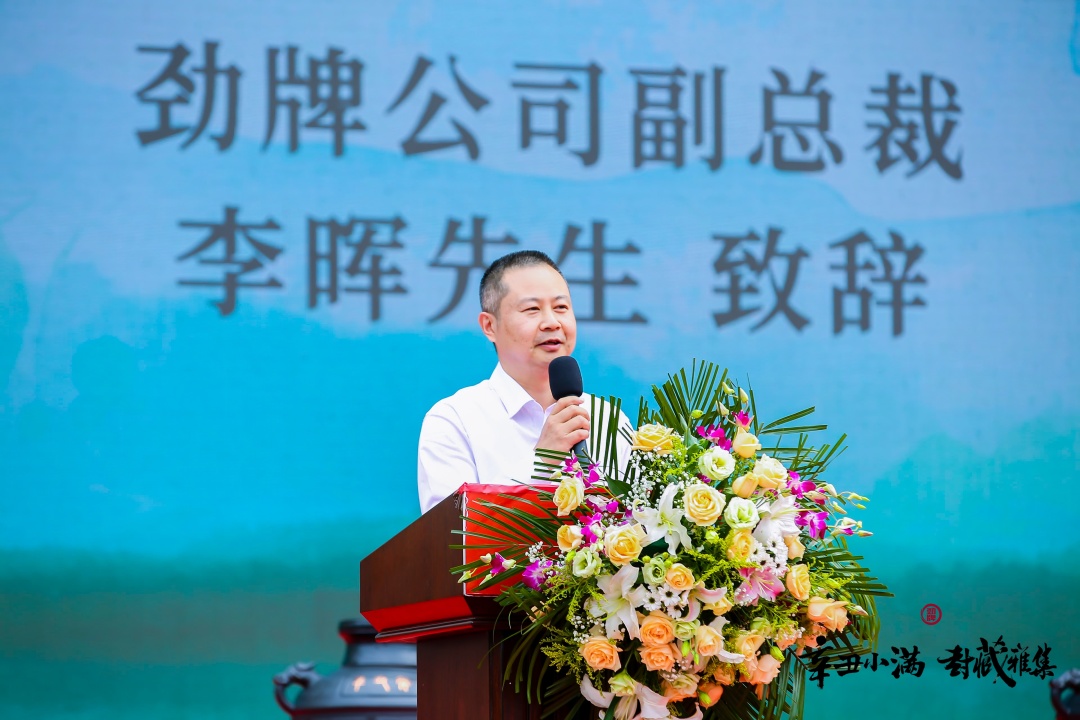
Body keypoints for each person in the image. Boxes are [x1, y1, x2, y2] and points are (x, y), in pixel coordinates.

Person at [417, 250, 629, 513]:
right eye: (532, 309)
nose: (552, 322)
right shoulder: (454, 421)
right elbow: (452, 531)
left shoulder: (608, 419)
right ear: (489, 326)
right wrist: (544, 463)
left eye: (561, 307)